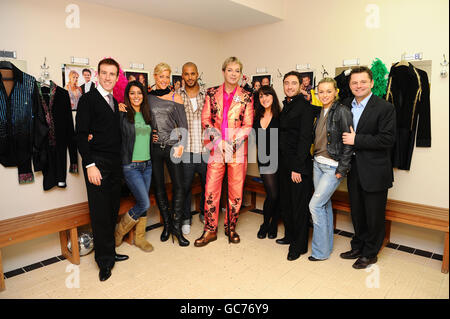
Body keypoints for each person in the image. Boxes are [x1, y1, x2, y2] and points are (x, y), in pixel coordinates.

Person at [75, 58, 128, 282]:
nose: (108, 77)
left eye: (112, 74)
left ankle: (110, 252)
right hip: (97, 164)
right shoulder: (88, 99)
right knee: (99, 214)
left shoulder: (115, 102)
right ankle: (104, 262)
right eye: (104, 73)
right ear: (97, 75)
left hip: (115, 164)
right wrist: (89, 165)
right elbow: (80, 135)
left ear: (117, 77)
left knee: (111, 210)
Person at [194, 56, 254, 247]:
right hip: (216, 149)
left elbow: (248, 124)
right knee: (211, 188)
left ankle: (231, 226)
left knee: (235, 190)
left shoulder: (246, 96)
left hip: (237, 150)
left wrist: (232, 143)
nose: (233, 74)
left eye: (237, 70)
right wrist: (219, 141)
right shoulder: (211, 93)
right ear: (223, 71)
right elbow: (205, 119)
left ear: (240, 74)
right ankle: (210, 230)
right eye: (230, 70)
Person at [340, 66, 396, 269]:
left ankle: (370, 253)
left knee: (374, 215)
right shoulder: (345, 105)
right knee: (357, 212)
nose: (358, 85)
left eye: (363, 81)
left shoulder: (384, 107)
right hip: (353, 169)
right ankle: (358, 246)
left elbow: (387, 139)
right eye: (354, 82)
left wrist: (357, 139)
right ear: (350, 85)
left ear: (372, 83)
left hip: (375, 171)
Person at [308, 78, 353, 261]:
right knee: (324, 206)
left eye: (328, 91)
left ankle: (319, 252)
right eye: (321, 91)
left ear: (335, 92)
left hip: (332, 166)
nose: (324, 95)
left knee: (315, 205)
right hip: (317, 163)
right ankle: (325, 249)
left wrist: (343, 168)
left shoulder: (342, 111)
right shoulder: (319, 111)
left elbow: (349, 143)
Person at [149, 62, 189, 246]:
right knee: (159, 187)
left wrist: (181, 146)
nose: (164, 80)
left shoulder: (176, 98)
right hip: (155, 148)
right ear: (155, 77)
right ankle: (166, 225)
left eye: (167, 76)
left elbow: (183, 126)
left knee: (179, 185)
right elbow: (139, 121)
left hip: (173, 147)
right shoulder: (147, 97)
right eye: (161, 76)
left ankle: (176, 226)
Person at [277, 71, 316, 261]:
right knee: (287, 203)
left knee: (299, 207)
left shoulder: (305, 107)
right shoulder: (288, 105)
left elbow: (304, 139)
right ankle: (291, 235)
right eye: (286, 83)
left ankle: (298, 246)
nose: (289, 86)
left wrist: (298, 168)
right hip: (284, 164)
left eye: (293, 83)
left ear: (301, 85)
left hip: (297, 166)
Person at [114, 81, 154, 252]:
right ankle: (119, 231)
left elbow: (149, 136)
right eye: (132, 93)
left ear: (143, 95)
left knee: (141, 201)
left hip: (148, 165)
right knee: (144, 203)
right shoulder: (122, 113)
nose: (136, 96)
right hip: (131, 166)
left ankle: (139, 238)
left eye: (139, 93)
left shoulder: (147, 113)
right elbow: (113, 134)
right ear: (127, 95)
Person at [175, 62, 208, 234]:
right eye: (186, 74)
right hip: (186, 150)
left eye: (193, 74)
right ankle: (186, 218)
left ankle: (204, 212)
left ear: (197, 75)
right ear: (182, 76)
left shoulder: (207, 95)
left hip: (204, 150)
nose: (189, 77)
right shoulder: (176, 95)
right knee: (185, 186)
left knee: (207, 185)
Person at [253, 85, 281, 239]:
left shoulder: (280, 115)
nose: (264, 99)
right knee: (272, 194)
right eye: (261, 96)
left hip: (280, 159)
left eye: (267, 95)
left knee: (277, 194)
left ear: (273, 96)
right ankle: (265, 223)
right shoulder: (256, 116)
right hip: (264, 159)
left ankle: (273, 223)